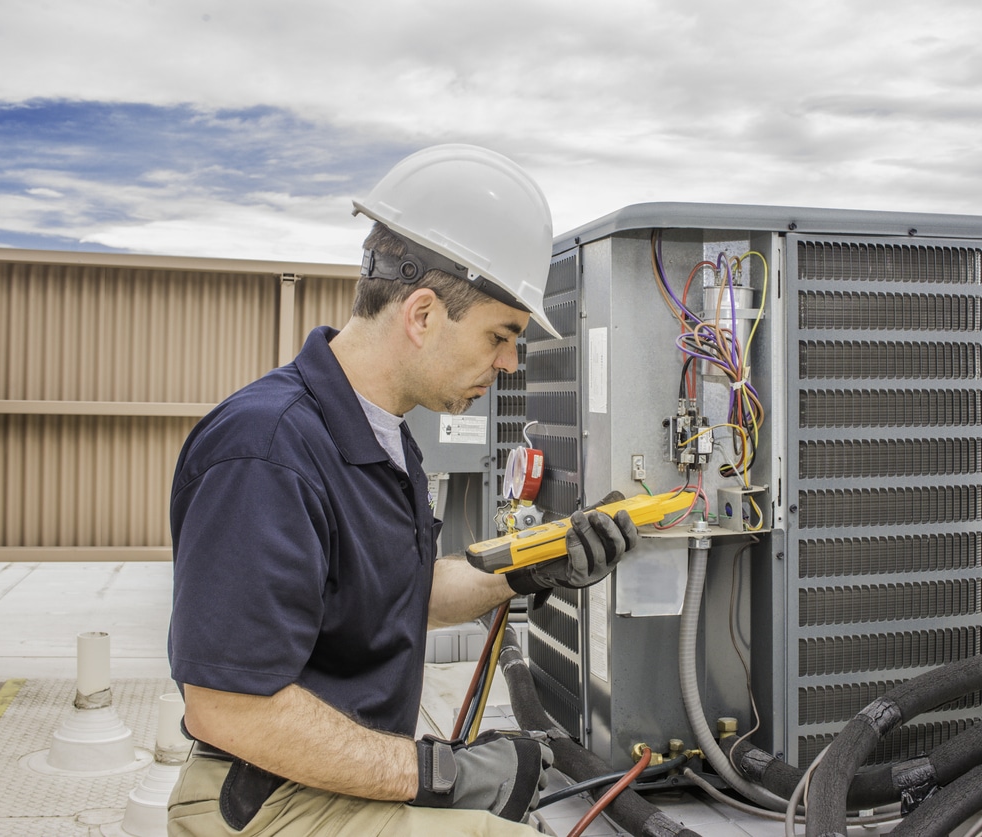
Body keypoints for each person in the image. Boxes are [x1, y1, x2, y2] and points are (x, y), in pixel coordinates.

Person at [166, 144, 639, 836]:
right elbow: (229, 705)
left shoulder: (381, 439)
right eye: (502, 335)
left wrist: (536, 562)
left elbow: (402, 598)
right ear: (422, 315)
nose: (509, 363)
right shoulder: (267, 452)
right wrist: (437, 773)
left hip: (326, 780)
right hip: (263, 799)